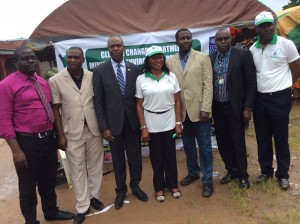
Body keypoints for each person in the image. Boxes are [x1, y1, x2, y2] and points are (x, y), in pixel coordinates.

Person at [0, 46, 74, 224]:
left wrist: (58, 135)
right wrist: (16, 151)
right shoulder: (6, 85)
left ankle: (51, 212)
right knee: (27, 185)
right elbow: (3, 119)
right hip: (27, 142)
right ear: (16, 62)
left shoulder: (42, 82)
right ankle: (30, 220)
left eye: (33, 57)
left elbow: (52, 110)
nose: (32, 61)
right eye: (26, 58)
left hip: (48, 139)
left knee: (49, 179)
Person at [49, 47, 104, 224]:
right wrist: (60, 135)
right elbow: (55, 108)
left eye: (76, 57)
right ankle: (83, 205)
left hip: (93, 128)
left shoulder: (92, 76)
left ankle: (94, 196)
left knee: (95, 165)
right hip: (71, 131)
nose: (72, 60)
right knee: (77, 169)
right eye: (69, 57)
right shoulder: (55, 80)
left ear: (82, 59)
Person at [93, 36, 148, 209]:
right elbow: (98, 103)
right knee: (117, 160)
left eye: (118, 45)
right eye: (112, 46)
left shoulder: (134, 69)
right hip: (113, 126)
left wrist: (142, 124)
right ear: (108, 49)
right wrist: (104, 127)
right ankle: (121, 190)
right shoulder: (100, 71)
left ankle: (135, 185)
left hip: (132, 123)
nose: (115, 48)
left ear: (123, 47)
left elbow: (139, 99)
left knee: (135, 158)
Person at [250, 11, 300, 190]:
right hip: (260, 100)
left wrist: (288, 87)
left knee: (281, 138)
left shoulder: (285, 44)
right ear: (256, 29)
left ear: (275, 24)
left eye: (269, 24)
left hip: (280, 98)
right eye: (262, 26)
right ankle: (266, 172)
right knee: (262, 138)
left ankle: (283, 174)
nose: (266, 29)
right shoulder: (252, 49)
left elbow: (296, 68)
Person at [166, 29, 214, 197]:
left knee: (205, 146)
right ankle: (193, 172)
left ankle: (207, 179)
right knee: (188, 146)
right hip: (181, 113)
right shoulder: (170, 62)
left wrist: (206, 108)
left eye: (188, 38)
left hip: (200, 112)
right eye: (182, 38)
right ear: (176, 41)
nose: (186, 40)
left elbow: (208, 84)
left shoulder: (203, 58)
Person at [210, 29, 257, 189]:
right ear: (215, 42)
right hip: (218, 107)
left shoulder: (242, 55)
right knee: (223, 142)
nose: (223, 42)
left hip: (236, 107)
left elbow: (251, 83)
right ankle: (232, 170)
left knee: (238, 142)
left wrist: (248, 107)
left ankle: (243, 175)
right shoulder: (211, 58)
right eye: (220, 40)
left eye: (226, 39)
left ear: (231, 39)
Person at [136, 46, 182, 202]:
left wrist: (178, 122)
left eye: (160, 57)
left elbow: (177, 101)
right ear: (148, 60)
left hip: (169, 121)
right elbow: (138, 105)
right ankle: (159, 187)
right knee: (157, 158)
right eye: (154, 58)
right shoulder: (141, 79)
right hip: (151, 122)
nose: (158, 60)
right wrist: (143, 127)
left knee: (170, 155)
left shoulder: (171, 76)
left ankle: (173, 184)